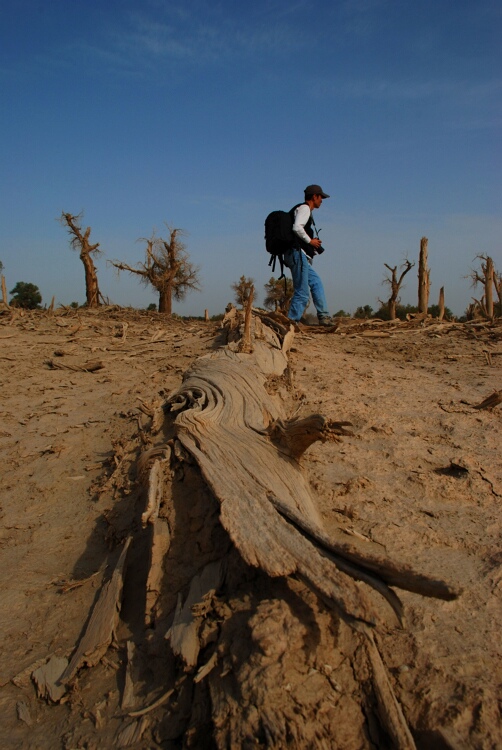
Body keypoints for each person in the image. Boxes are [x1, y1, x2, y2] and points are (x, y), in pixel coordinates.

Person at [283, 184, 332, 326]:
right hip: (297, 254)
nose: (322, 200)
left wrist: (311, 245)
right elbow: (297, 227)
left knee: (316, 283)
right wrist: (310, 241)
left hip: (299, 254)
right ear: (314, 197)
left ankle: (324, 317)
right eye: (320, 197)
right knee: (302, 291)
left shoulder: (301, 209)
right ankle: (291, 322)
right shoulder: (304, 208)